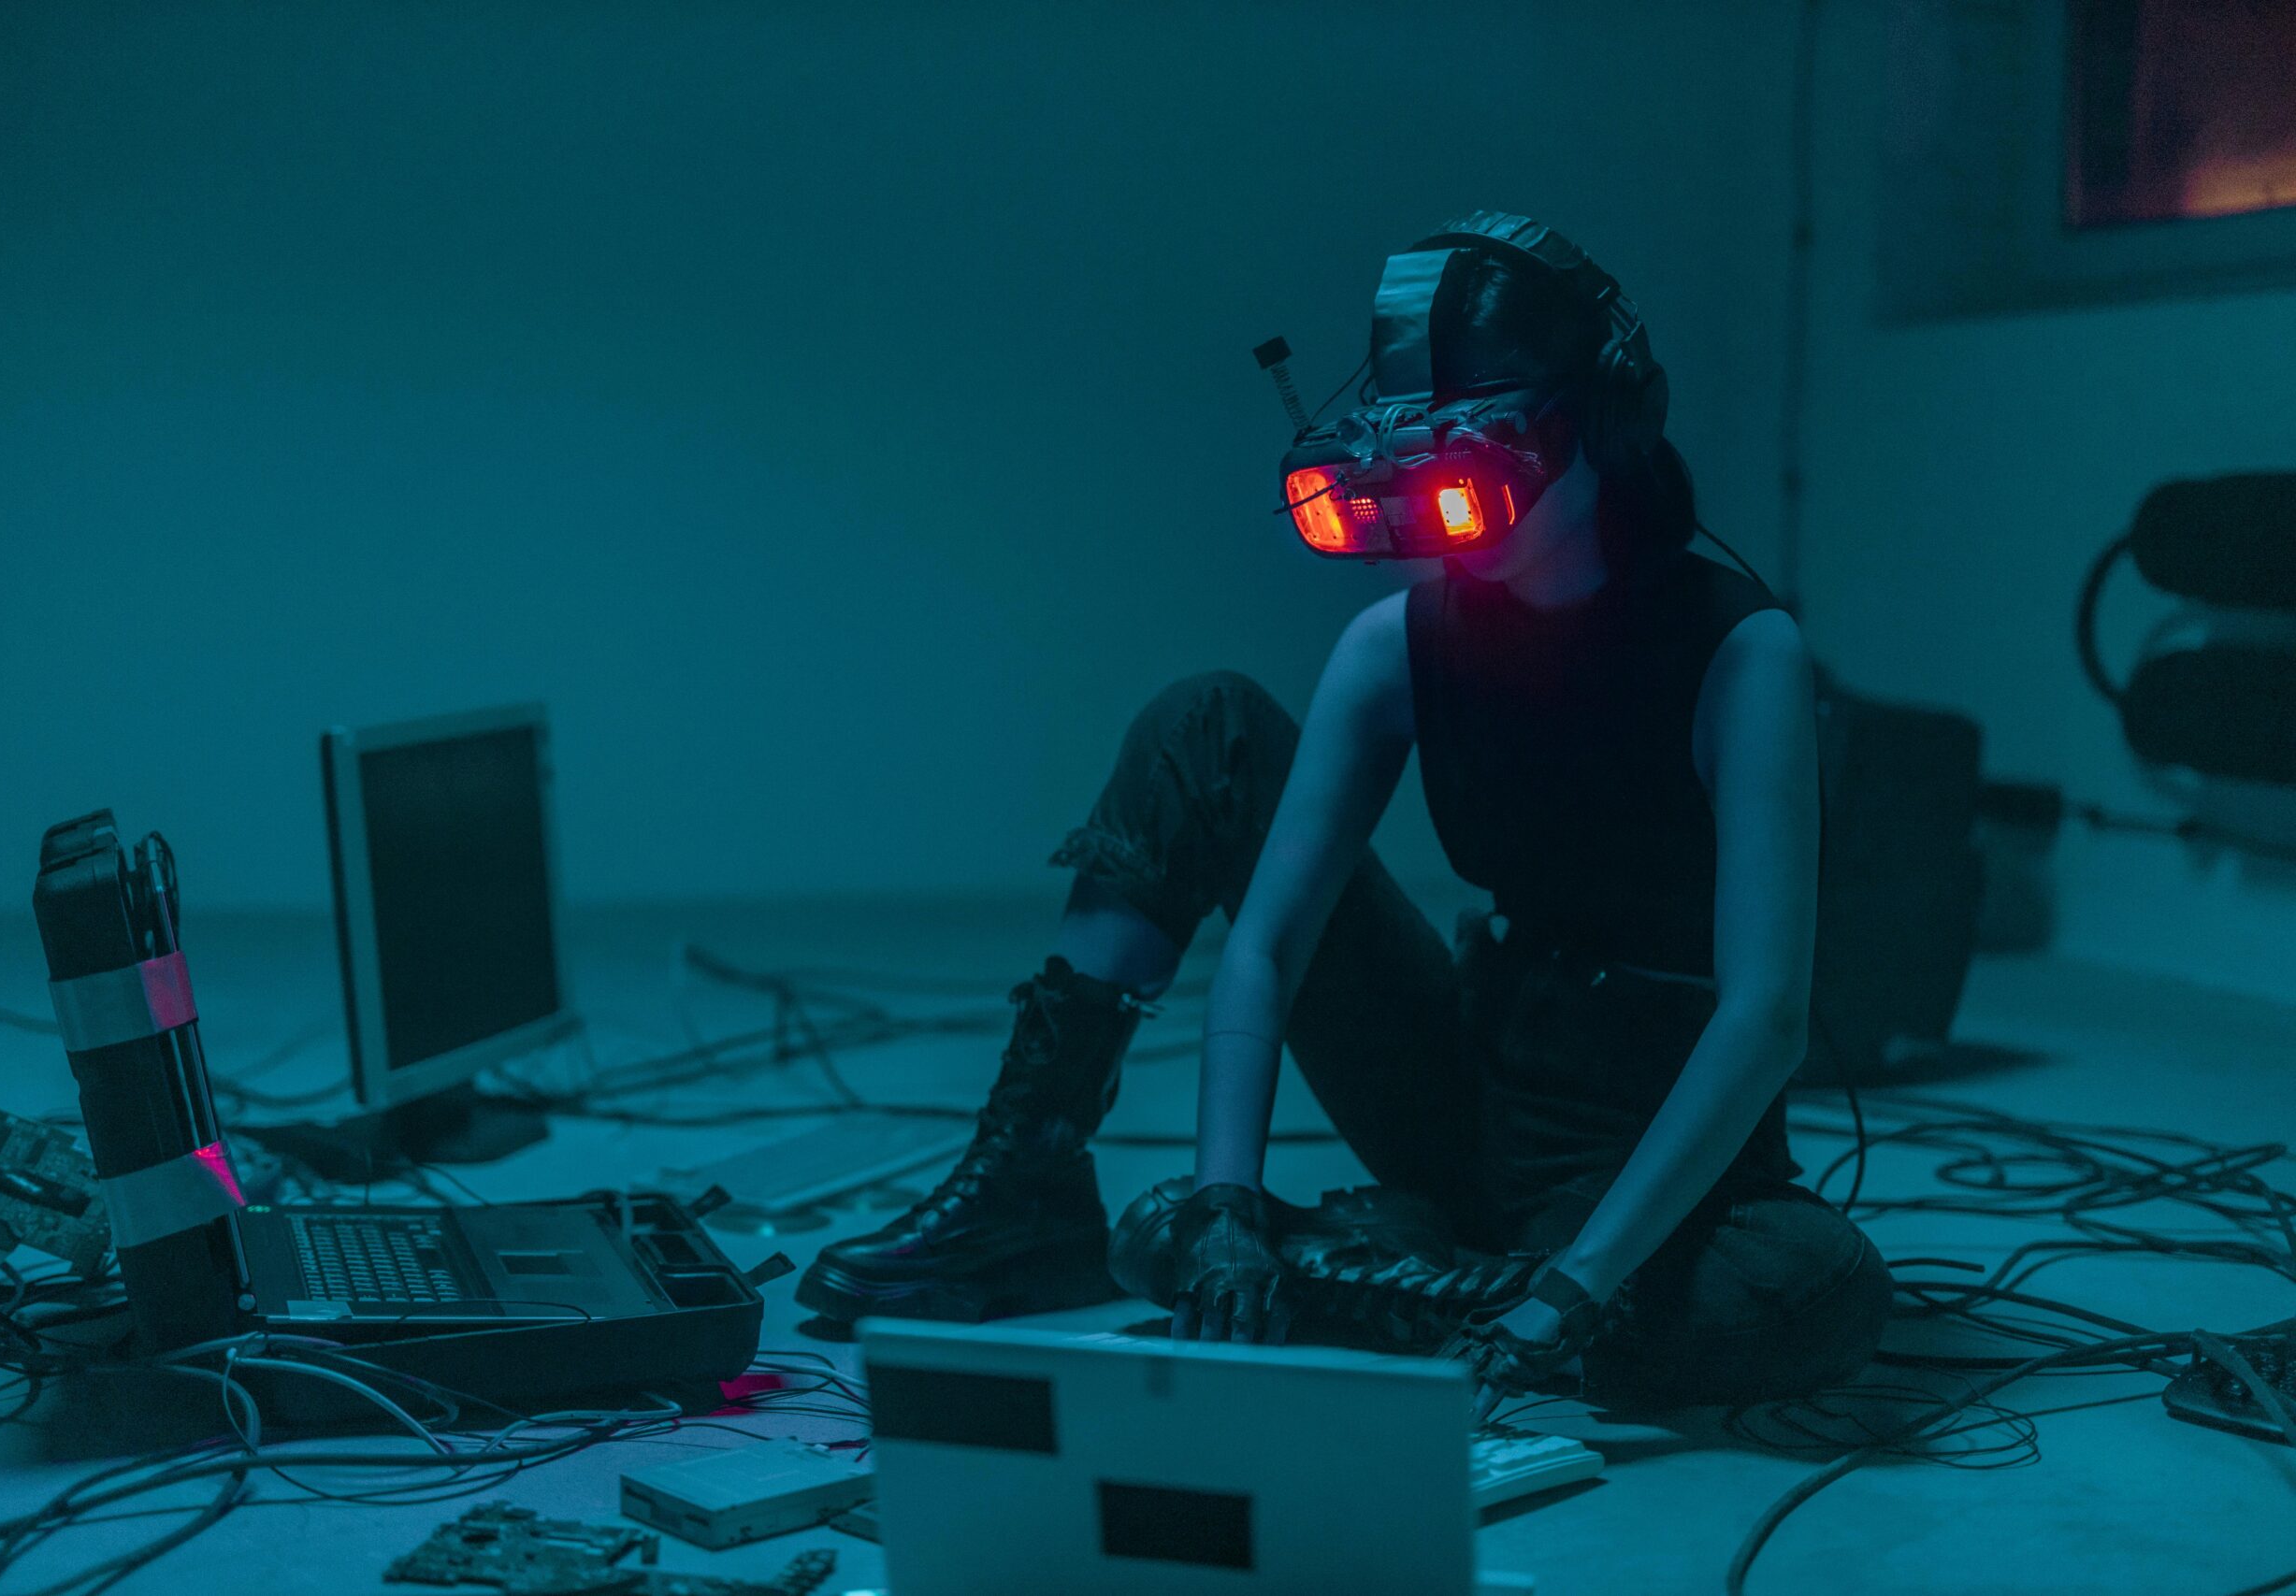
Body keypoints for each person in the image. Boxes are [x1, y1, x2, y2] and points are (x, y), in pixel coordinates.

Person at [796, 213, 1892, 1407]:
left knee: (1807, 1290)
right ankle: (1033, 1195)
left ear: (1602, 421)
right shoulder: (1398, 643)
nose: (1436, 518)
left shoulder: (1740, 653)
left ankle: (1440, 1273)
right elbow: (1268, 943)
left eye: (1464, 473)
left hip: (1646, 1137)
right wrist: (1220, 1205)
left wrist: (1575, 1285)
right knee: (1205, 721)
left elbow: (1766, 1017)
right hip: (1470, 1081)